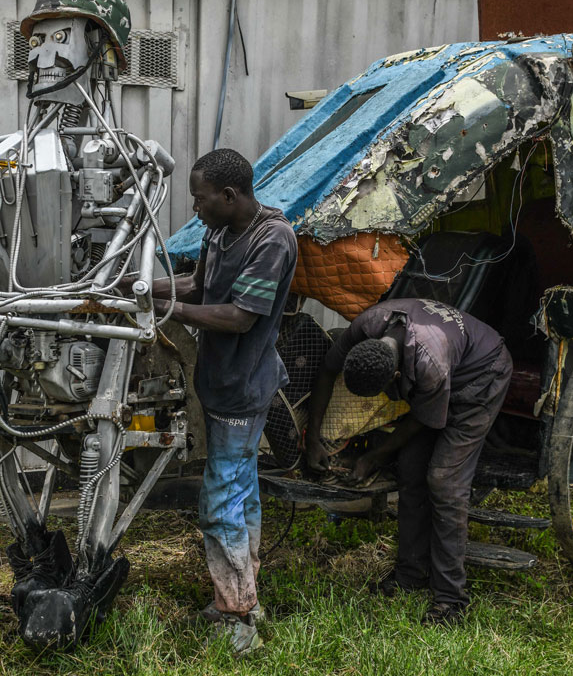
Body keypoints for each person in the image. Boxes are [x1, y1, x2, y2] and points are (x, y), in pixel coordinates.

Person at [148, 148, 297, 656]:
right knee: (241, 491)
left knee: (220, 504)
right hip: (221, 381)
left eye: (200, 198)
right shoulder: (221, 231)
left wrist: (170, 307)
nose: (196, 209)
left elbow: (239, 316)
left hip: (243, 385)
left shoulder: (271, 238)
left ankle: (236, 618)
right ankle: (245, 596)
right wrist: (143, 288)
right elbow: (198, 284)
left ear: (230, 195)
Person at [304, 298, 511, 625]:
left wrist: (372, 456)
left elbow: (422, 419)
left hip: (482, 376)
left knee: (444, 482)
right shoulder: (366, 325)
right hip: (446, 367)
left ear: (397, 374)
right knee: (411, 470)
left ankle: (450, 600)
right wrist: (312, 439)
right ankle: (411, 574)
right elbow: (329, 370)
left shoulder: (430, 365)